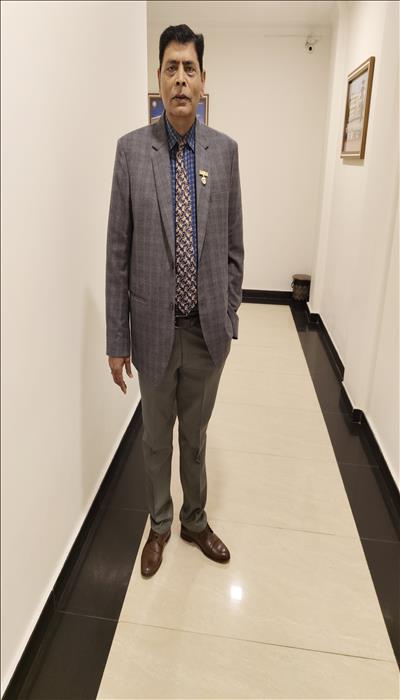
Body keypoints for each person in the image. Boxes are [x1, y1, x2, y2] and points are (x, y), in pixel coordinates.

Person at [105, 24, 244, 577]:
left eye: (189, 68)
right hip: (153, 332)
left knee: (196, 435)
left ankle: (194, 519)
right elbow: (117, 253)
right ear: (159, 78)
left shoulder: (224, 153)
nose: (180, 79)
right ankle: (159, 525)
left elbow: (234, 246)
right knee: (155, 438)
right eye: (171, 68)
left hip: (207, 331)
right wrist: (117, 339)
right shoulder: (131, 152)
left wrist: (228, 314)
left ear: (203, 79)